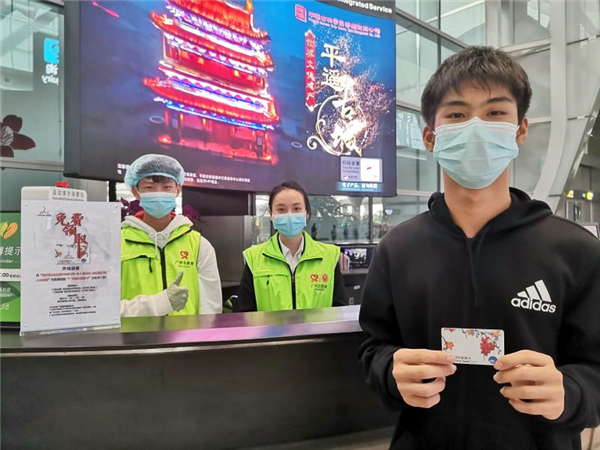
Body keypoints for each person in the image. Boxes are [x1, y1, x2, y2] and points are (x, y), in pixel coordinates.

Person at [358, 47, 600, 450]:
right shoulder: (397, 249)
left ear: (520, 130)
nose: (476, 127)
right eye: (456, 115)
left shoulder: (575, 251)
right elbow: (373, 347)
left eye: (495, 112)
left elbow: (594, 369)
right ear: (431, 138)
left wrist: (569, 391)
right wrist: (389, 371)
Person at [120, 154, 222, 317]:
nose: (158, 193)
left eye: (167, 187)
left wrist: (203, 334)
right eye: (149, 187)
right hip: (134, 334)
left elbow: (210, 307)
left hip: (187, 333)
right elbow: (104, 309)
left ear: (178, 190)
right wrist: (159, 304)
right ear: (136, 191)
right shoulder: (117, 243)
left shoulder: (198, 245)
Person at [234, 181, 347, 312]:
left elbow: (340, 311)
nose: (289, 215)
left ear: (307, 213)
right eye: (281, 210)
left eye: (296, 209)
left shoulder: (329, 256)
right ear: (271, 214)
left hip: (318, 327)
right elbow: (245, 314)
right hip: (270, 327)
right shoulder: (255, 258)